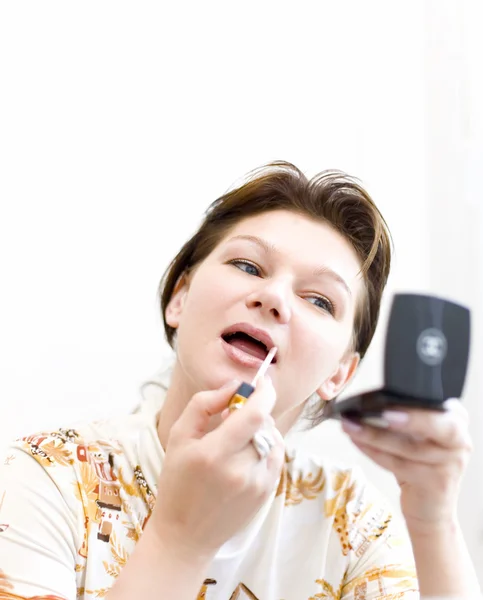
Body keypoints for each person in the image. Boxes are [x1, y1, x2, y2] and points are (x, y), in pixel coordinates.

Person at [0, 162, 480, 600]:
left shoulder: (352, 522)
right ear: (180, 299)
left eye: (319, 300)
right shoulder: (48, 478)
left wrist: (433, 522)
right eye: (248, 266)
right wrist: (178, 541)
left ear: (339, 374)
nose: (273, 298)